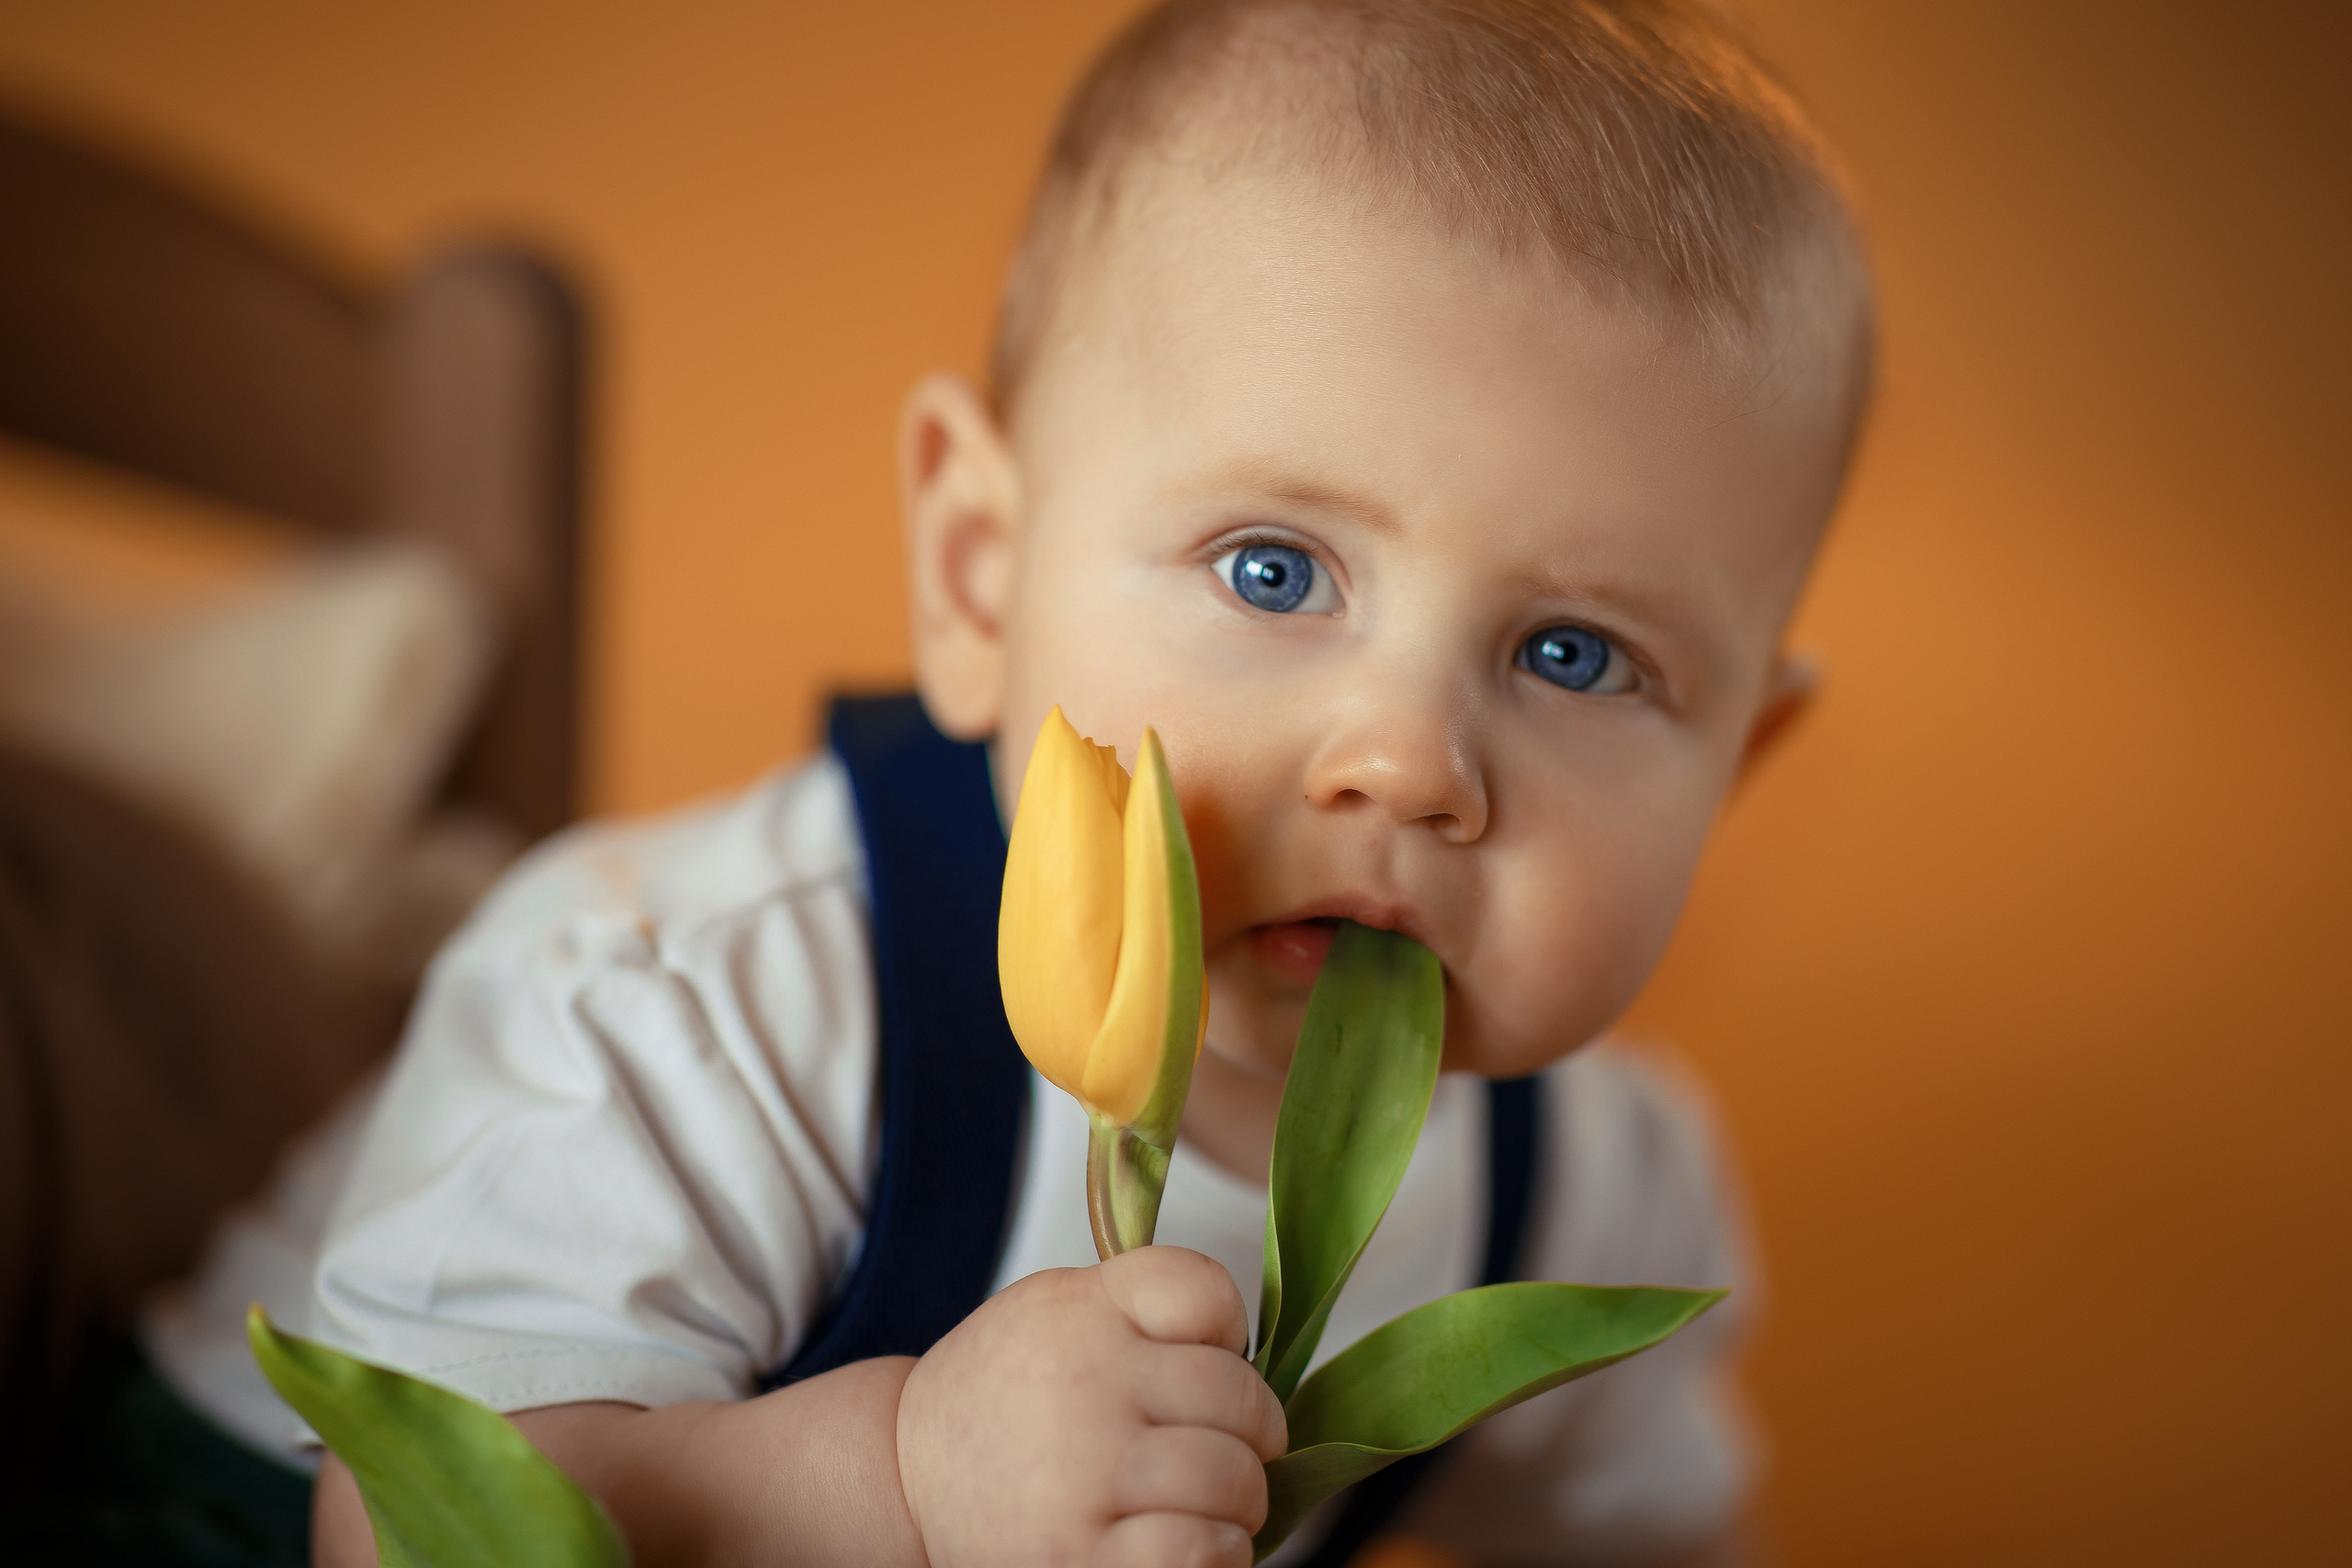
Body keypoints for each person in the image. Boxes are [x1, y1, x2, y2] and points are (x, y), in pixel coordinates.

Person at [149, 1, 1876, 1563]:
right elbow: (407, 1522)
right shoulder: (700, 1000)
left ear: (1740, 767)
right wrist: (900, 1480)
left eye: (1573, 654)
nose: (1408, 764)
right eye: (1274, 571)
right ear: (981, 574)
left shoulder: (1589, 1183)